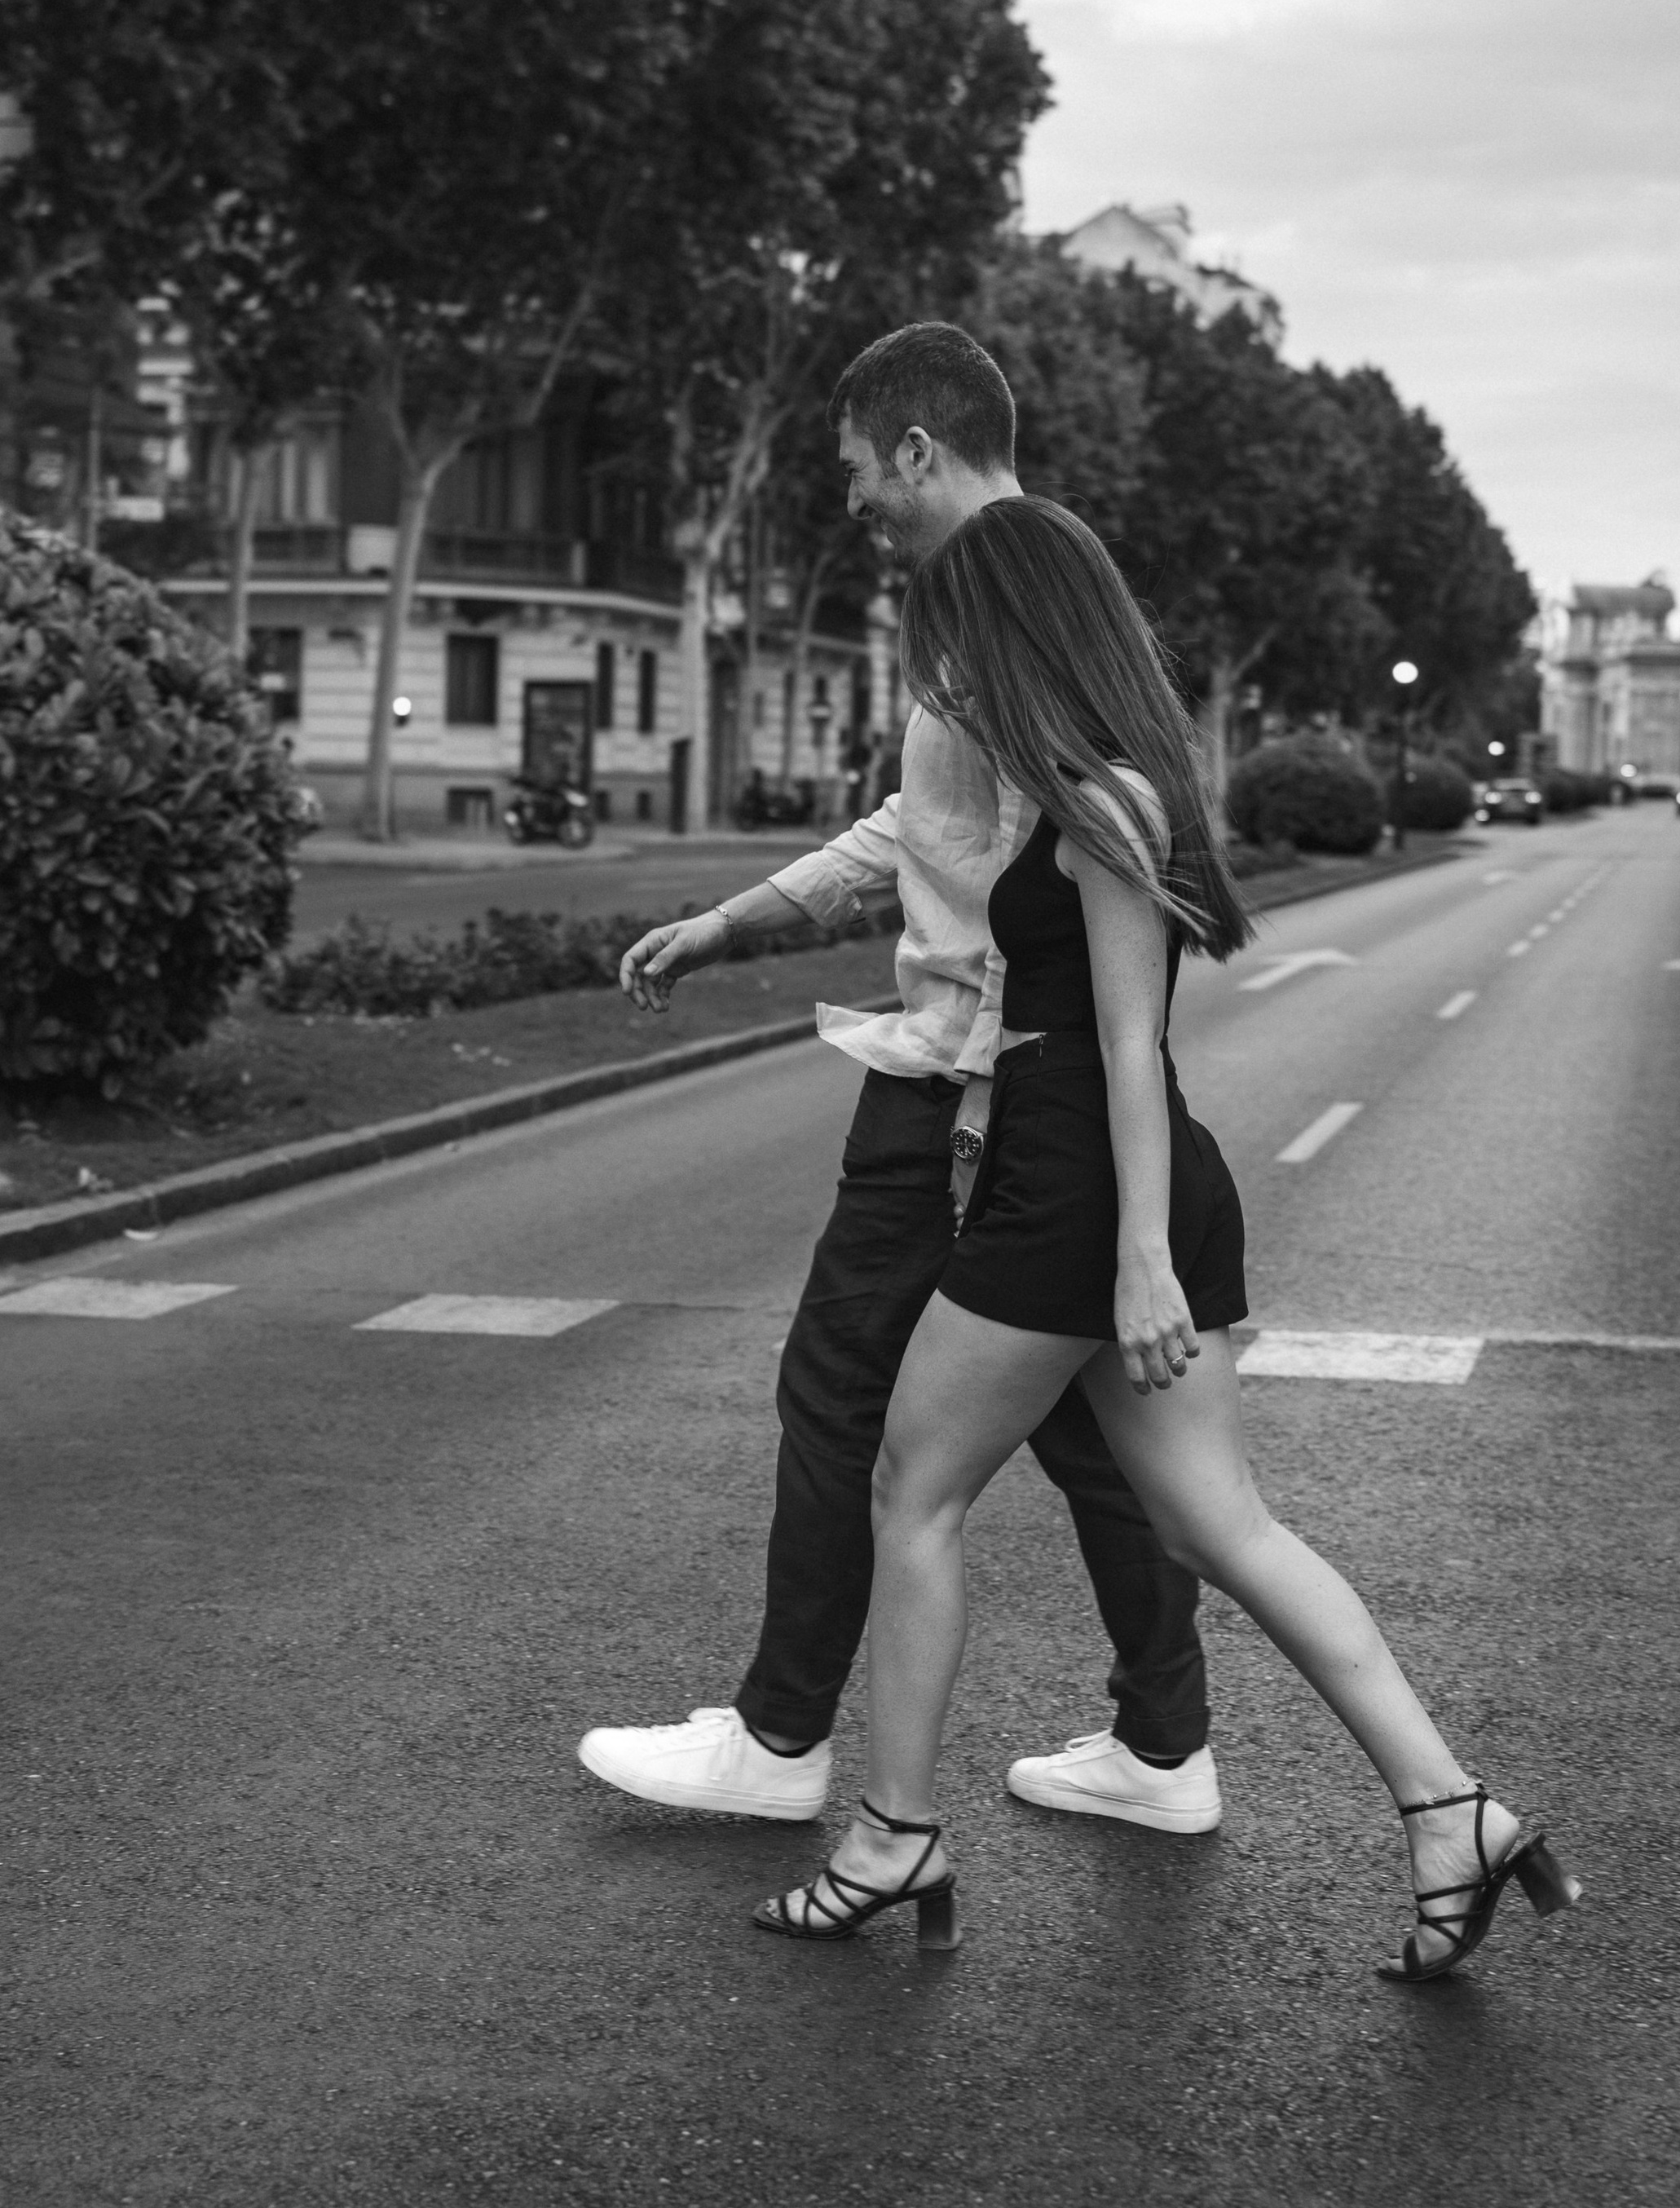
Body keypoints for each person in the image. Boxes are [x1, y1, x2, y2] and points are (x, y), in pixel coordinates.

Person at [752, 497, 1581, 1983]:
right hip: (1105, 1182)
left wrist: (1138, 1259)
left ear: (1020, 630)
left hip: (1081, 1188)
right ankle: (1452, 1813)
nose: (947, 668)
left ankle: (891, 1837)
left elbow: (1128, 1045)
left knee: (912, 1493)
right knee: (1217, 1528)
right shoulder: (1092, 786)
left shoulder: (1106, 801)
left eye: (960, 637)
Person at [580, 325, 1222, 1841]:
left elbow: (1028, 867)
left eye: (861, 470)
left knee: (838, 1397)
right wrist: (744, 917)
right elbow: (924, 825)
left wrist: (985, 1102)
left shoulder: (996, 610)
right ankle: (1165, 1745)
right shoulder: (1040, 591)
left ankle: (782, 1741)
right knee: (1092, 1437)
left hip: (962, 1093)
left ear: (919, 450)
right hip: (1021, 1094)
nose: (857, 502)